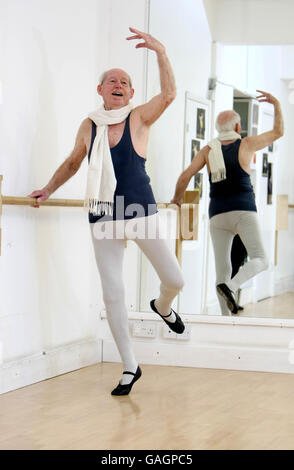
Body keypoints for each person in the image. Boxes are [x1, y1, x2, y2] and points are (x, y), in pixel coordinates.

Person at [28, 27, 185, 395]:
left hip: (139, 208)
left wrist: (161, 51)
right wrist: (48, 189)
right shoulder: (90, 124)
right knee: (112, 292)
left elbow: (170, 94)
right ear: (100, 90)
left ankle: (163, 306)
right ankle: (130, 366)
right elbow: (72, 162)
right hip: (102, 213)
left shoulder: (139, 117)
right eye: (111, 80)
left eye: (125, 81)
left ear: (131, 93)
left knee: (175, 279)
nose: (118, 84)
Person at [171, 90, 284, 315]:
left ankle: (225, 320)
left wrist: (177, 199)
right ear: (237, 127)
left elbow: (185, 176)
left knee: (222, 269)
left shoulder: (207, 150)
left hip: (217, 215)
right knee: (261, 259)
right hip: (244, 212)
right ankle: (231, 287)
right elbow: (278, 131)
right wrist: (277, 104)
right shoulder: (246, 144)